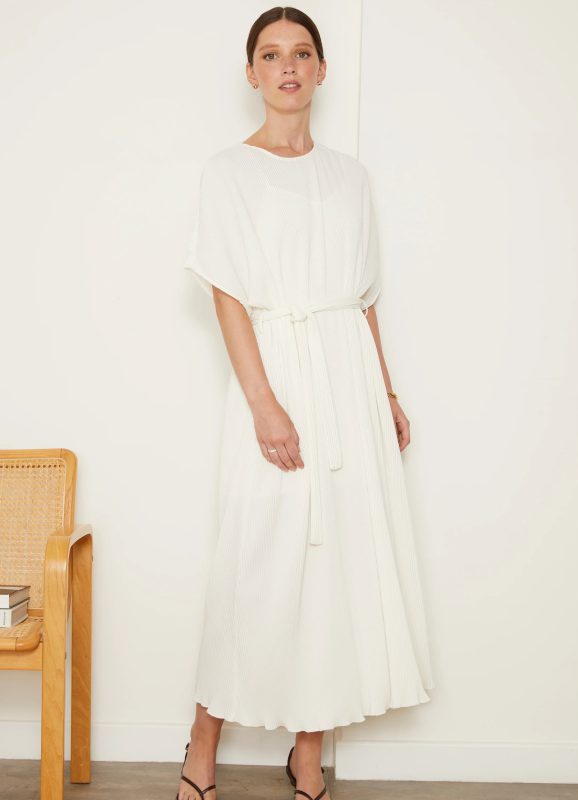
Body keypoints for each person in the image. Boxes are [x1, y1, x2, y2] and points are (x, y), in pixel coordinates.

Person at [177, 7, 434, 800]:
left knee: (336, 567)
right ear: (251, 72)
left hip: (348, 380)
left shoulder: (350, 177)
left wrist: (385, 391)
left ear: (321, 70)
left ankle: (309, 753)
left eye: (300, 53)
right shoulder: (227, 172)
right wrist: (264, 404)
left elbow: (363, 298)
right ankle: (202, 740)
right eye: (270, 54)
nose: (287, 66)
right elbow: (226, 295)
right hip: (276, 372)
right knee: (255, 563)